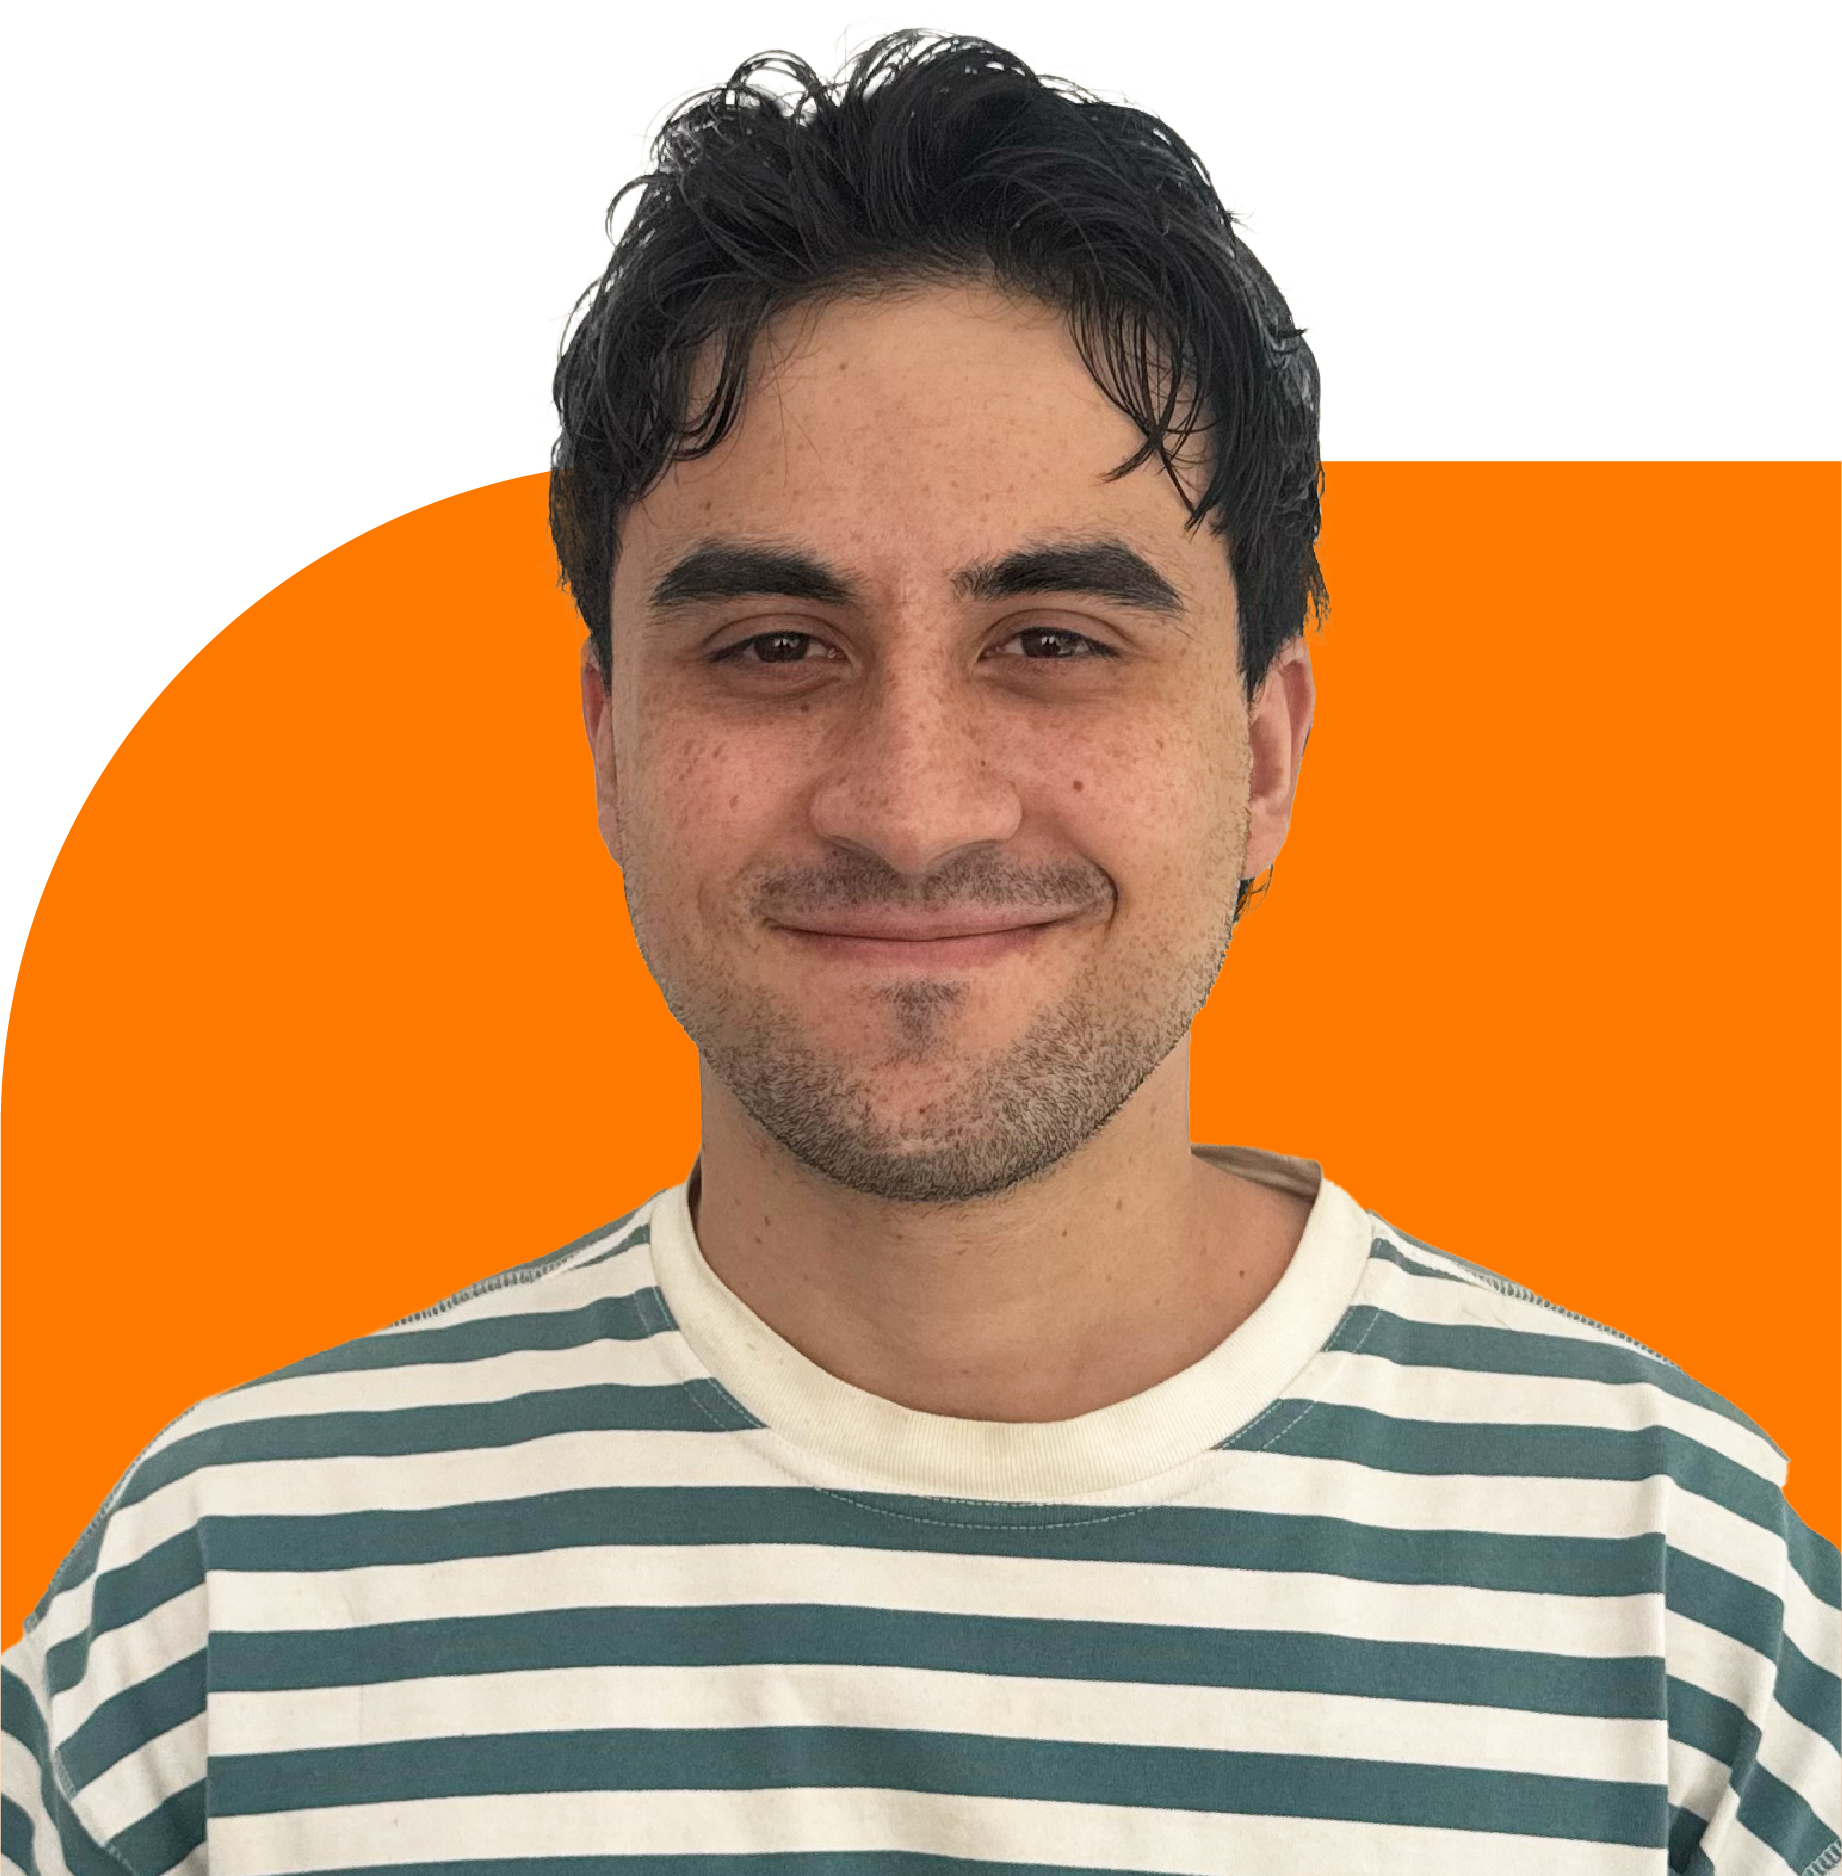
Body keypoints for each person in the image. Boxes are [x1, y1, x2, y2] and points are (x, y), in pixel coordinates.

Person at [3, 29, 1836, 1875]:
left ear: (1262, 756)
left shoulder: (1688, 1620)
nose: (910, 807)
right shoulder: (224, 1618)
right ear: (611, 748)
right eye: (772, 647)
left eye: (1051, 641)